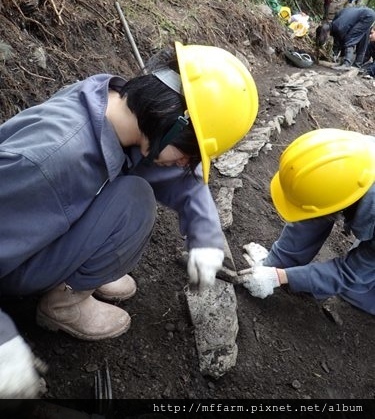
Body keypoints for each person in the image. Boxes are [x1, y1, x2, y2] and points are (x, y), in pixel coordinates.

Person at [0, 41, 259, 397]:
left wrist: (206, 236)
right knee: (135, 201)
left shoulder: (117, 111)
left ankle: (78, 273)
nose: (187, 164)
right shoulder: (51, 160)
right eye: (189, 153)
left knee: (133, 191)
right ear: (170, 119)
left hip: (29, 224)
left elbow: (182, 185)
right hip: (11, 261)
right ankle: (62, 303)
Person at [242, 128, 375, 317]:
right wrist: (273, 265)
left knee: (358, 290)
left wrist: (281, 277)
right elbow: (314, 208)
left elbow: (351, 274)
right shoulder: (348, 160)